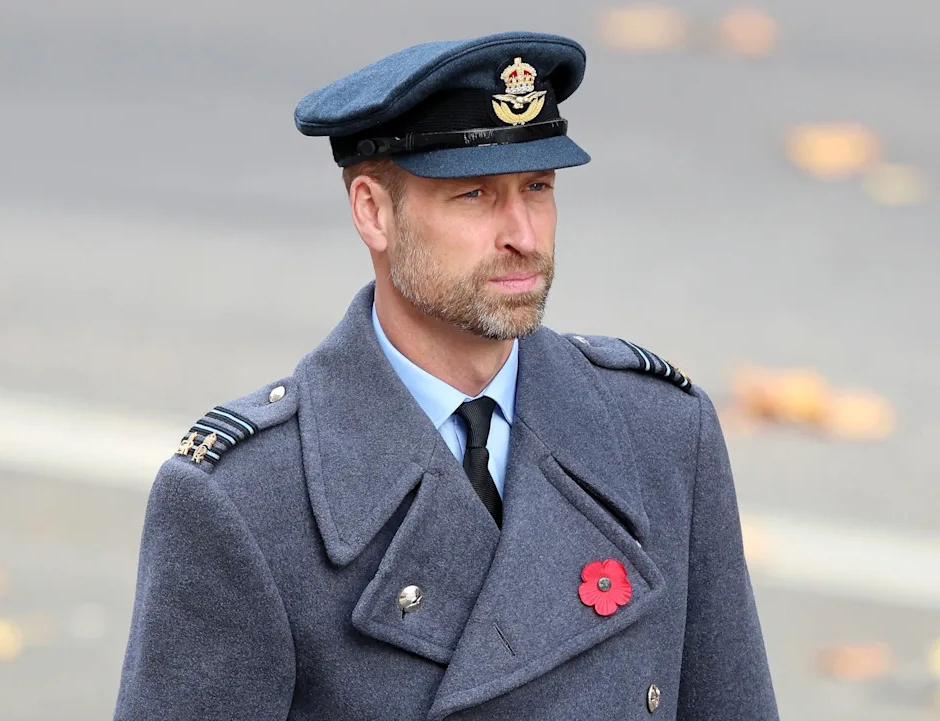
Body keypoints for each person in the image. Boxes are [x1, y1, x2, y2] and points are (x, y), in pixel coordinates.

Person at [114, 31, 779, 721]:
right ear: (373, 211)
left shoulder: (663, 435)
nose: (524, 233)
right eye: (474, 196)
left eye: (538, 187)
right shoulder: (246, 501)